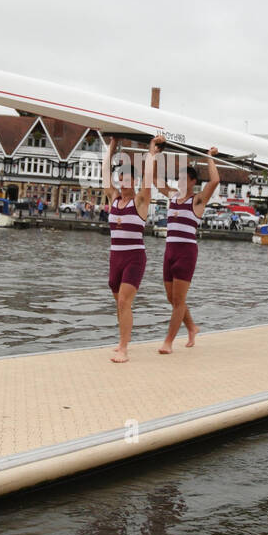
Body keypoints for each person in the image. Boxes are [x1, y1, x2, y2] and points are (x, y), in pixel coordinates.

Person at [102, 134, 161, 363]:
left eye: (127, 178)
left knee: (124, 302)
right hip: (115, 256)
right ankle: (121, 342)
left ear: (134, 181)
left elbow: (147, 181)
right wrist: (112, 147)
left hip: (134, 257)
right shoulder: (114, 198)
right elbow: (105, 173)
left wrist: (152, 154)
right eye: (121, 177)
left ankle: (125, 349)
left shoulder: (141, 201)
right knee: (119, 304)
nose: (122, 181)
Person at [156, 146, 219, 353]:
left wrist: (209, 158)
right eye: (178, 179)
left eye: (184, 179)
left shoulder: (197, 200)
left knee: (179, 301)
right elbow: (156, 181)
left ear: (192, 182)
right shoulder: (173, 196)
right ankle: (192, 327)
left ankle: (169, 341)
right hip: (169, 251)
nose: (180, 183)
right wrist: (155, 154)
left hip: (186, 252)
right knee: (171, 298)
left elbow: (215, 181)